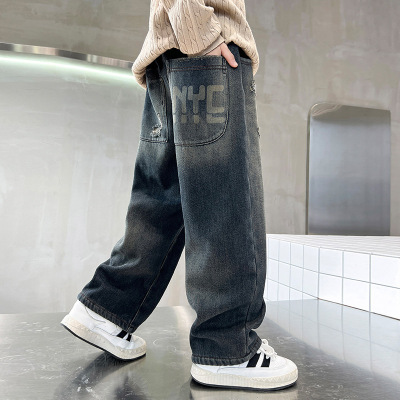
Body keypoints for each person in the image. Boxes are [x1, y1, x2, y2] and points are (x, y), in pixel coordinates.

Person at [61, 0, 298, 391]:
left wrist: (191, 32)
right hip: (204, 46)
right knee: (226, 200)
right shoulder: (203, 37)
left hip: (168, 52)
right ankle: (227, 348)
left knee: (163, 197)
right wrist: (202, 35)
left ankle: (107, 309)